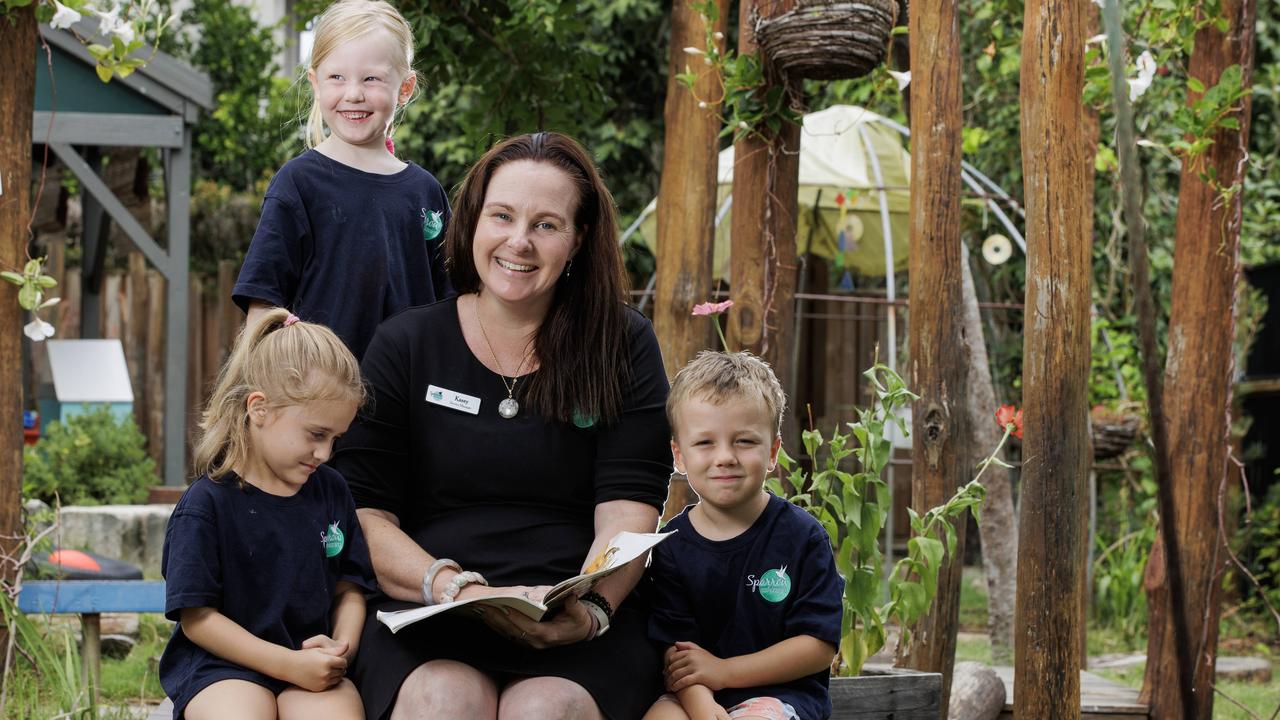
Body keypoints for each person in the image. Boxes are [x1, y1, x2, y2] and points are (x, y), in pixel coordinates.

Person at [331, 131, 672, 720]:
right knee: (446, 700)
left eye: (546, 224)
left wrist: (591, 610)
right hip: (426, 610)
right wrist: (450, 586)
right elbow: (364, 511)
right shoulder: (405, 345)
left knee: (544, 708)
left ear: (578, 239)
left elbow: (628, 511)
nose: (519, 241)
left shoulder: (623, 344)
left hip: (577, 618)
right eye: (503, 216)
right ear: (473, 222)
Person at [159, 308, 377, 720]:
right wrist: (285, 664)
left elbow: (350, 588)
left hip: (311, 664)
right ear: (259, 409)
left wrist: (339, 650)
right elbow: (198, 619)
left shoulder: (331, 490)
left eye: (335, 439)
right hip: (221, 669)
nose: (326, 454)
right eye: (316, 434)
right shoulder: (206, 506)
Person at [233, 0, 451, 361]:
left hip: (410, 404)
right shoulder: (298, 184)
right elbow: (262, 305)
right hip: (319, 400)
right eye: (337, 77)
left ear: (405, 87)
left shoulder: (426, 192)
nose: (353, 93)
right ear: (316, 84)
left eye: (371, 78)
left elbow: (453, 306)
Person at [644, 351, 843, 720]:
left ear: (772, 452)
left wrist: (724, 671)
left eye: (744, 442)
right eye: (705, 443)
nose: (725, 457)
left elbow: (818, 646)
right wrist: (704, 708)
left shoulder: (803, 538)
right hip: (694, 695)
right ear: (679, 457)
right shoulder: (670, 545)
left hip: (782, 697)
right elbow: (675, 649)